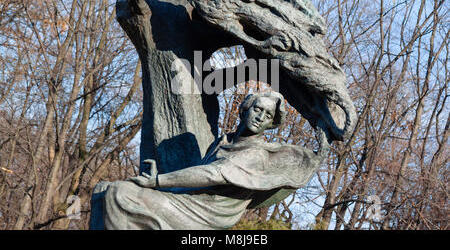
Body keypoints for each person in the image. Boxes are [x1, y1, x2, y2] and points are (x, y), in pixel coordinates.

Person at [90, 92, 325, 230]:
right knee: (102, 189)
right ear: (245, 110)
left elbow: (211, 174)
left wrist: (157, 181)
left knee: (119, 193)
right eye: (258, 109)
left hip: (206, 213)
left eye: (267, 116)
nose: (260, 117)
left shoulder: (256, 154)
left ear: (270, 123)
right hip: (189, 200)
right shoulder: (223, 141)